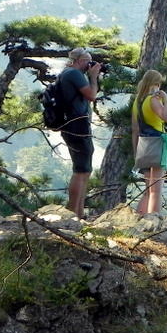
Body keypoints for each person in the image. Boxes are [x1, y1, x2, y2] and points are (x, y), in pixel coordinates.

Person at [59, 47, 101, 219]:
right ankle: (73, 213)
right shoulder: (74, 74)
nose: (89, 65)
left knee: (85, 169)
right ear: (80, 61)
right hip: (76, 127)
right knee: (80, 170)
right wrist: (93, 77)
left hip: (76, 125)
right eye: (87, 61)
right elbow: (92, 94)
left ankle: (79, 213)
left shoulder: (68, 73)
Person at [131, 69, 167, 215]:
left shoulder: (138, 101)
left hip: (143, 145)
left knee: (149, 190)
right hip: (157, 144)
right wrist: (166, 99)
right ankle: (154, 221)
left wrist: (136, 151)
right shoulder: (153, 100)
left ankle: (138, 218)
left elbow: (135, 129)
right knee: (156, 189)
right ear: (156, 84)